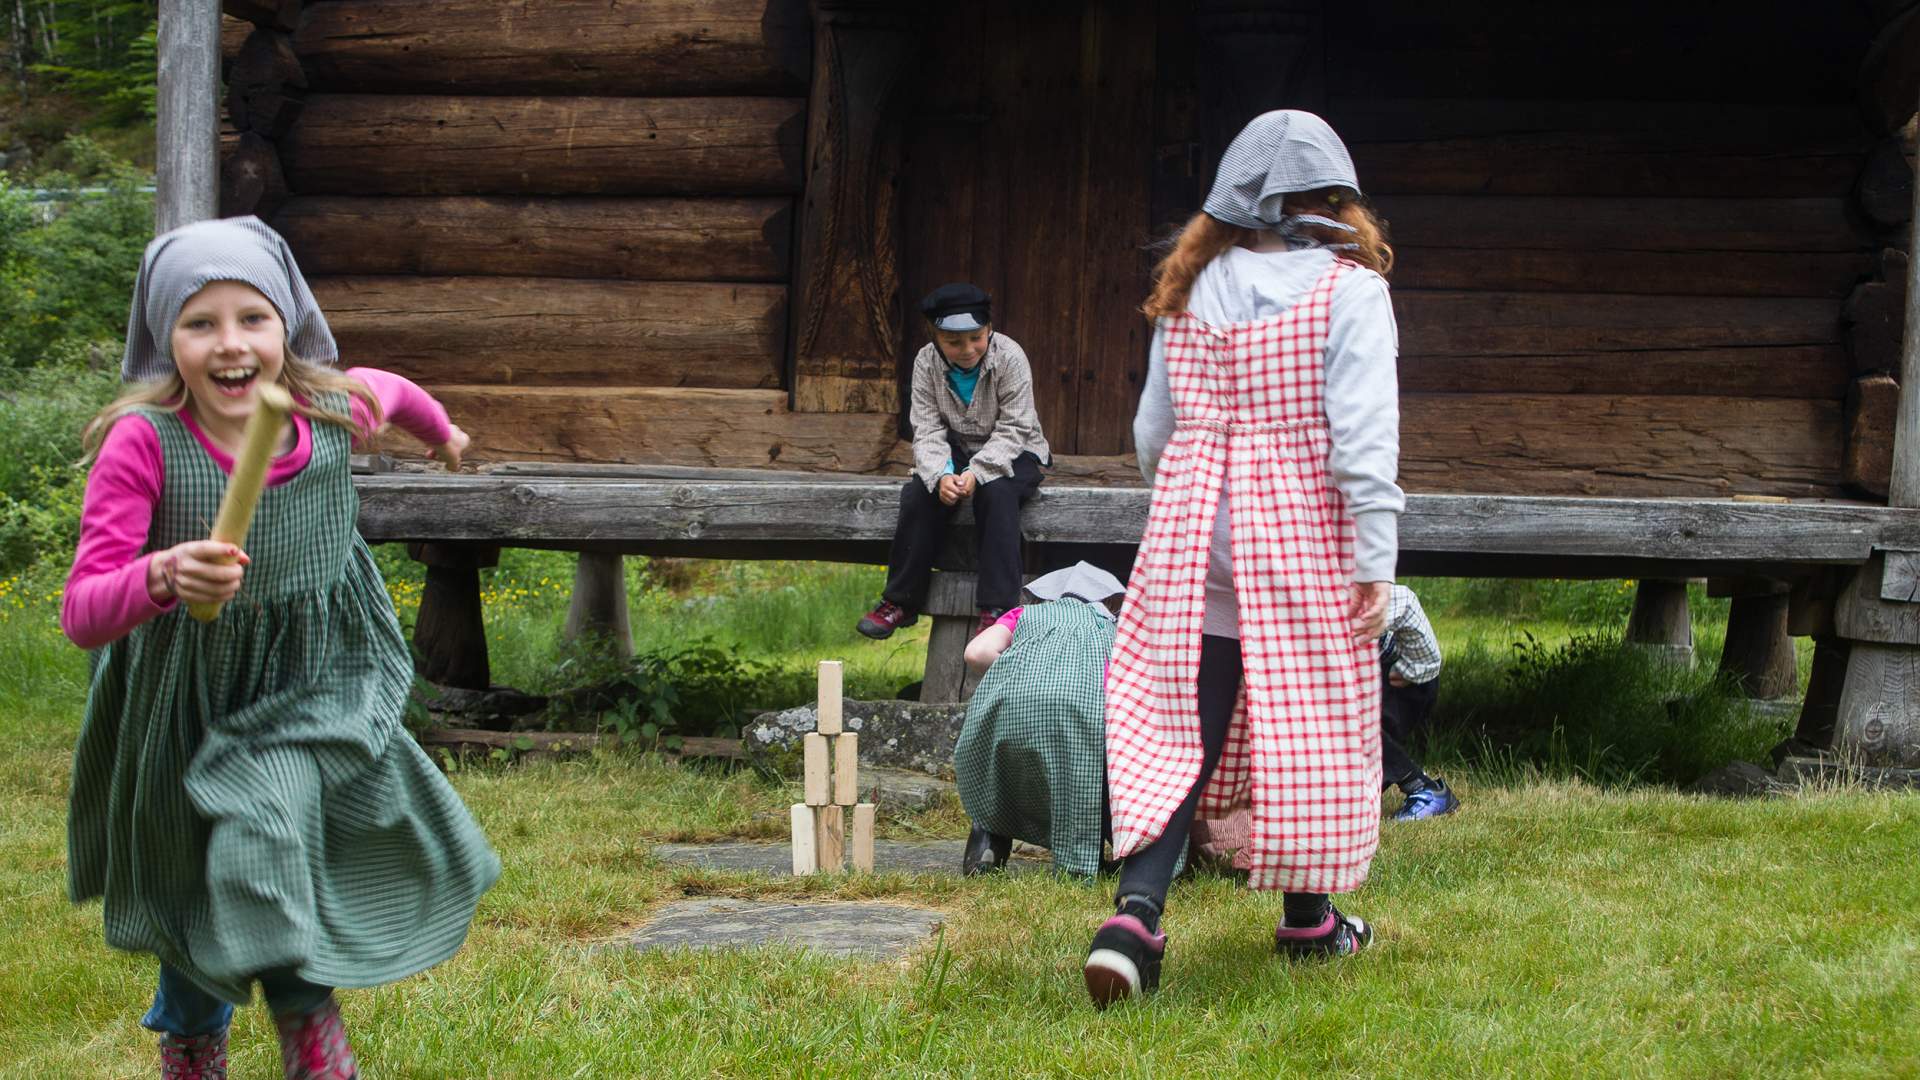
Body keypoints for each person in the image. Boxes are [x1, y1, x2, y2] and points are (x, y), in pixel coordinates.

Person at [62, 216, 501, 1079]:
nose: (230, 342)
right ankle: (192, 1038)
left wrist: (442, 433)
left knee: (266, 831)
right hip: (186, 695)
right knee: (192, 878)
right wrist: (162, 577)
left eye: (252, 318)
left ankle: (309, 1026)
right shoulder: (142, 445)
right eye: (200, 322)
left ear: (288, 326)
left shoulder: (334, 405)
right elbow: (83, 611)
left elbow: (399, 392)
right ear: (165, 337)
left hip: (317, 678)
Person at [1085, 110, 1404, 1006]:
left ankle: (1135, 917)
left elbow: (1154, 433)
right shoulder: (1347, 291)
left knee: (1178, 719)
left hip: (1196, 532)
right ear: (1330, 199)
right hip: (1298, 530)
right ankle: (1309, 919)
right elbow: (1363, 445)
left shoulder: (1193, 283)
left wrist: (1196, 496)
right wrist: (1374, 559)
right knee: (1312, 718)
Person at [857, 283, 1050, 641]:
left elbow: (1016, 426)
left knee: (996, 493)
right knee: (918, 495)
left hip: (1016, 449)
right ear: (934, 336)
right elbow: (927, 429)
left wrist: (977, 471)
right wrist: (942, 474)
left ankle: (997, 610)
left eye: (976, 338)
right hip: (957, 450)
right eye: (953, 342)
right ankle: (899, 601)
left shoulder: (1010, 357)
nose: (967, 349)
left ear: (989, 328)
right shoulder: (925, 362)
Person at [954, 562, 1125, 877]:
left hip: (1011, 711)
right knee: (1088, 777)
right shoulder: (1112, 624)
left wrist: (1022, 670)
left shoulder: (1022, 615)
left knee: (1000, 772)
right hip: (1082, 718)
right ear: (1111, 601)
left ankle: (987, 844)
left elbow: (976, 653)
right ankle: (1097, 858)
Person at [1379, 584, 1458, 820]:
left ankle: (1424, 789)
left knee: (1342, 723)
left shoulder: (1334, 595)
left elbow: (1405, 602)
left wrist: (1416, 667)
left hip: (1406, 683)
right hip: (1368, 683)